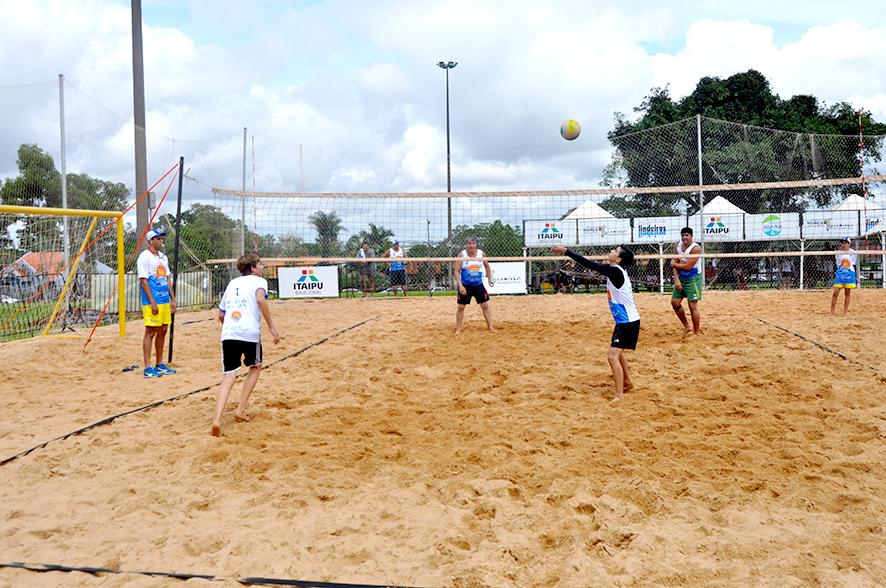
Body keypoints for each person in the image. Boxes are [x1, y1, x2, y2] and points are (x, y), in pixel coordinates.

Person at [551, 244, 639, 402]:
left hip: (628, 322)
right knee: (618, 354)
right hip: (625, 321)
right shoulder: (616, 270)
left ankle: (619, 395)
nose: (611, 251)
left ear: (618, 259)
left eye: (615, 251)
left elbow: (588, 264)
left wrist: (566, 251)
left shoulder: (615, 271)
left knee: (612, 356)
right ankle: (627, 382)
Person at [211, 254, 281, 437]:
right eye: (260, 264)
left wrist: (230, 326)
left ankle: (216, 420)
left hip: (229, 333)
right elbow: (260, 300)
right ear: (253, 268)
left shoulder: (232, 283)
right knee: (255, 366)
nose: (262, 267)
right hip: (250, 333)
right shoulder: (259, 282)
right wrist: (271, 327)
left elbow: (220, 315)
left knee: (228, 376)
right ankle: (240, 410)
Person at [137, 229, 177, 378]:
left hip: (164, 300)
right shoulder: (144, 257)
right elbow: (143, 280)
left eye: (162, 238)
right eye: (158, 238)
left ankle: (159, 364)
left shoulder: (163, 257)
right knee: (150, 331)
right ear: (150, 241)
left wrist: (173, 298)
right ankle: (147, 368)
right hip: (152, 301)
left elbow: (167, 279)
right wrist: (152, 301)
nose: (161, 241)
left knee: (163, 330)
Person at [454, 237, 495, 334]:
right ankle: (458, 329)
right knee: (461, 307)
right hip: (465, 285)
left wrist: (489, 279)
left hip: (478, 285)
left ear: (476, 245)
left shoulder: (481, 254)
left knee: (485, 306)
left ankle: (490, 327)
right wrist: (460, 286)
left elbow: (487, 266)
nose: (471, 245)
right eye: (469, 243)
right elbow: (456, 271)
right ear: (466, 245)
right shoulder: (462, 255)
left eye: (473, 243)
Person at [670, 227, 702, 339]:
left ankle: (696, 333)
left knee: (692, 306)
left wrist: (674, 264)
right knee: (674, 302)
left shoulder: (696, 248)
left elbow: (687, 267)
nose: (684, 237)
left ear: (692, 236)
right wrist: (676, 279)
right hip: (681, 278)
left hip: (693, 279)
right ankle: (687, 327)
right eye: (683, 235)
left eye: (687, 235)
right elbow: (675, 262)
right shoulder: (678, 245)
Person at [830, 237, 858, 315]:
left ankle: (845, 311)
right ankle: (832, 311)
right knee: (835, 292)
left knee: (847, 292)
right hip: (840, 273)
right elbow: (838, 264)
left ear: (849, 244)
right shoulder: (838, 253)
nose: (844, 244)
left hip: (849, 273)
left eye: (846, 243)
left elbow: (853, 263)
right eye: (842, 243)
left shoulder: (853, 252)